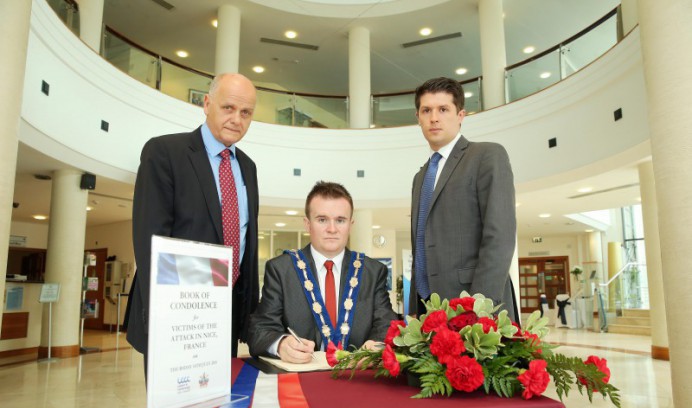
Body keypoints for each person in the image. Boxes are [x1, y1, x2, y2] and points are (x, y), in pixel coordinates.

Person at [126, 73, 260, 369]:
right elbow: (151, 242)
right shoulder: (164, 153)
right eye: (228, 108)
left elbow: (247, 247)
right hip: (177, 316)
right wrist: (171, 313)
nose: (237, 119)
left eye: (246, 112)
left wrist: (250, 319)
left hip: (228, 316)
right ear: (207, 104)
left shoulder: (248, 168)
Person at [248, 181, 397, 363]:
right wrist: (281, 345)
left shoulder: (372, 272)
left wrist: (377, 344)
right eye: (322, 220)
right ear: (307, 224)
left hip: (358, 377)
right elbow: (259, 330)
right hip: (300, 381)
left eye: (340, 220)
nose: (332, 229)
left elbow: (387, 324)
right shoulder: (281, 269)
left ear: (350, 225)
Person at [410, 77, 519, 321]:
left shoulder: (486, 156)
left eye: (443, 109)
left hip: (475, 310)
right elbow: (421, 247)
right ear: (418, 117)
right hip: (429, 312)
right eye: (426, 110)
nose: (434, 118)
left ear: (460, 115)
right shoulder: (420, 177)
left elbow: (499, 238)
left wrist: (478, 311)